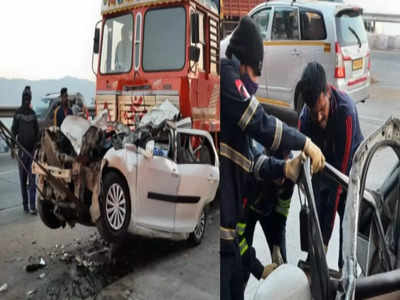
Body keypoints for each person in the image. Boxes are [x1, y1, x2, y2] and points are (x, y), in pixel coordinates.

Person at [220, 16, 325, 300]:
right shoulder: (226, 78)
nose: (255, 83)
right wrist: (256, 267)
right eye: (256, 74)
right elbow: (261, 123)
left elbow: (259, 170)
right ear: (243, 65)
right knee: (234, 280)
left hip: (234, 227)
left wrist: (277, 246)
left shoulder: (280, 175)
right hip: (231, 225)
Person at [297, 62, 364, 270]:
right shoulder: (307, 117)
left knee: (347, 238)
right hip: (324, 169)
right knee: (317, 215)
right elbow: (308, 178)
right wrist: (316, 243)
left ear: (328, 92)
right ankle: (314, 265)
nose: (318, 118)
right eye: (313, 111)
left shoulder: (346, 114)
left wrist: (324, 239)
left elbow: (338, 185)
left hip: (348, 174)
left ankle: (347, 275)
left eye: (322, 109)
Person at [243, 140, 295, 285]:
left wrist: (277, 244)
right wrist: (258, 269)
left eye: (284, 176)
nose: (282, 180)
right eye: (278, 175)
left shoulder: (291, 174)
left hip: (270, 213)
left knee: (282, 263)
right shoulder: (252, 172)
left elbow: (282, 212)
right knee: (241, 265)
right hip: (248, 211)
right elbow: (238, 238)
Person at [11, 86, 40, 214]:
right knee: (23, 179)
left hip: (31, 151)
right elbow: (13, 131)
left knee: (32, 179)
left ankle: (32, 206)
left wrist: (37, 147)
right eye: (25, 98)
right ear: (23, 98)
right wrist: (13, 146)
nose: (27, 100)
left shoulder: (33, 114)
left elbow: (37, 132)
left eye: (28, 98)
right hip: (22, 151)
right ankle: (25, 206)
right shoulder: (17, 114)